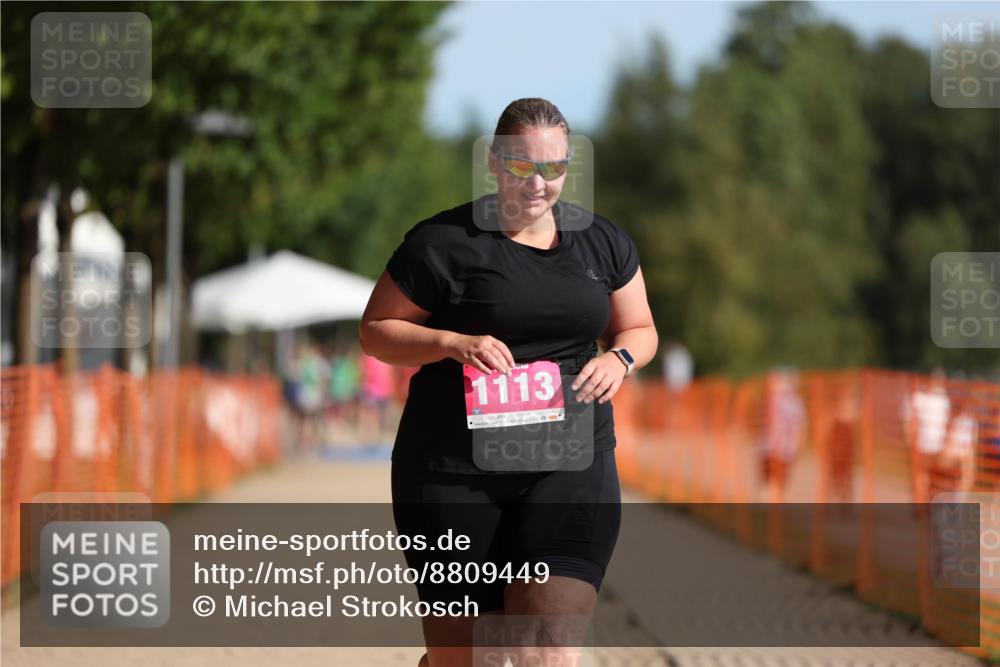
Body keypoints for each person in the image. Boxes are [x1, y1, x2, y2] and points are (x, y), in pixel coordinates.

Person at [359, 97, 658, 667]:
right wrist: (451, 343)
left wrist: (620, 359)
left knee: (547, 648)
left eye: (554, 168)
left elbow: (640, 327)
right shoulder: (441, 242)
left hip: (570, 461)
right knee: (473, 659)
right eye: (522, 167)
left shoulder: (603, 243)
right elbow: (375, 332)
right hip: (454, 471)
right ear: (495, 164)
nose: (539, 183)